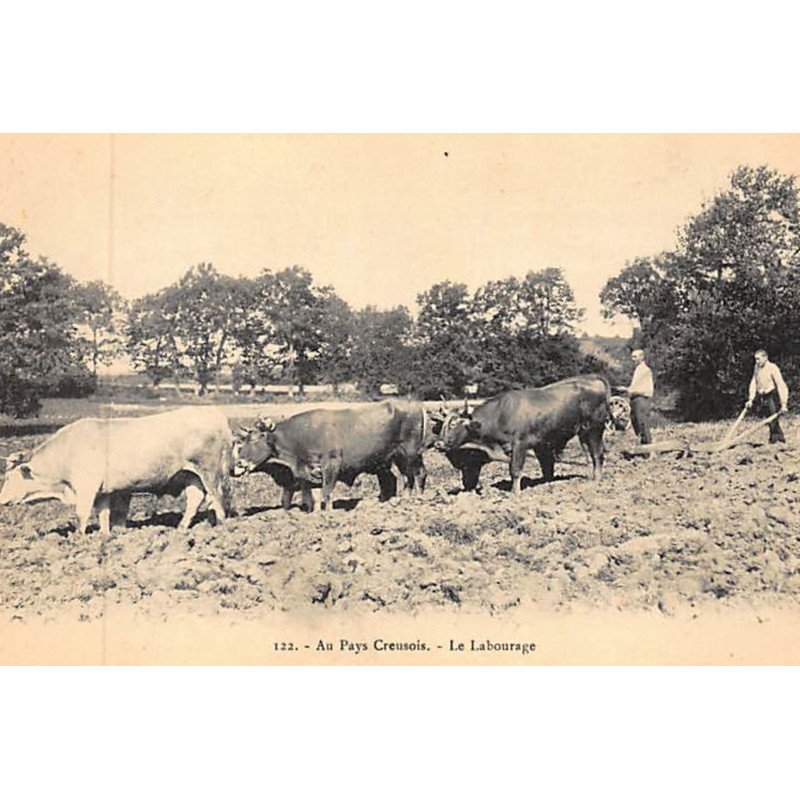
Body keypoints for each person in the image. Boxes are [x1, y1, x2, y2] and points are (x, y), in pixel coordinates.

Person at [746, 349, 789, 444]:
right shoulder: (756, 367)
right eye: (755, 359)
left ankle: (777, 440)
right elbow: (754, 382)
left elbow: (781, 384)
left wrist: (783, 403)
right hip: (763, 397)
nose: (757, 361)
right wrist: (751, 398)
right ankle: (777, 439)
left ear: (765, 358)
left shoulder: (773, 368)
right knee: (769, 419)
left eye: (758, 359)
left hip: (772, 396)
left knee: (773, 419)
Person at [616, 349, 654, 445]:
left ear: (642, 357)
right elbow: (636, 386)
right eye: (632, 357)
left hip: (641, 400)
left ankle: (648, 450)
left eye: (635, 357)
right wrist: (627, 390)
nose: (633, 359)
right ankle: (643, 449)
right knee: (636, 424)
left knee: (643, 425)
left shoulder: (646, 370)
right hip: (635, 400)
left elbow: (647, 390)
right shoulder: (638, 369)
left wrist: (627, 389)